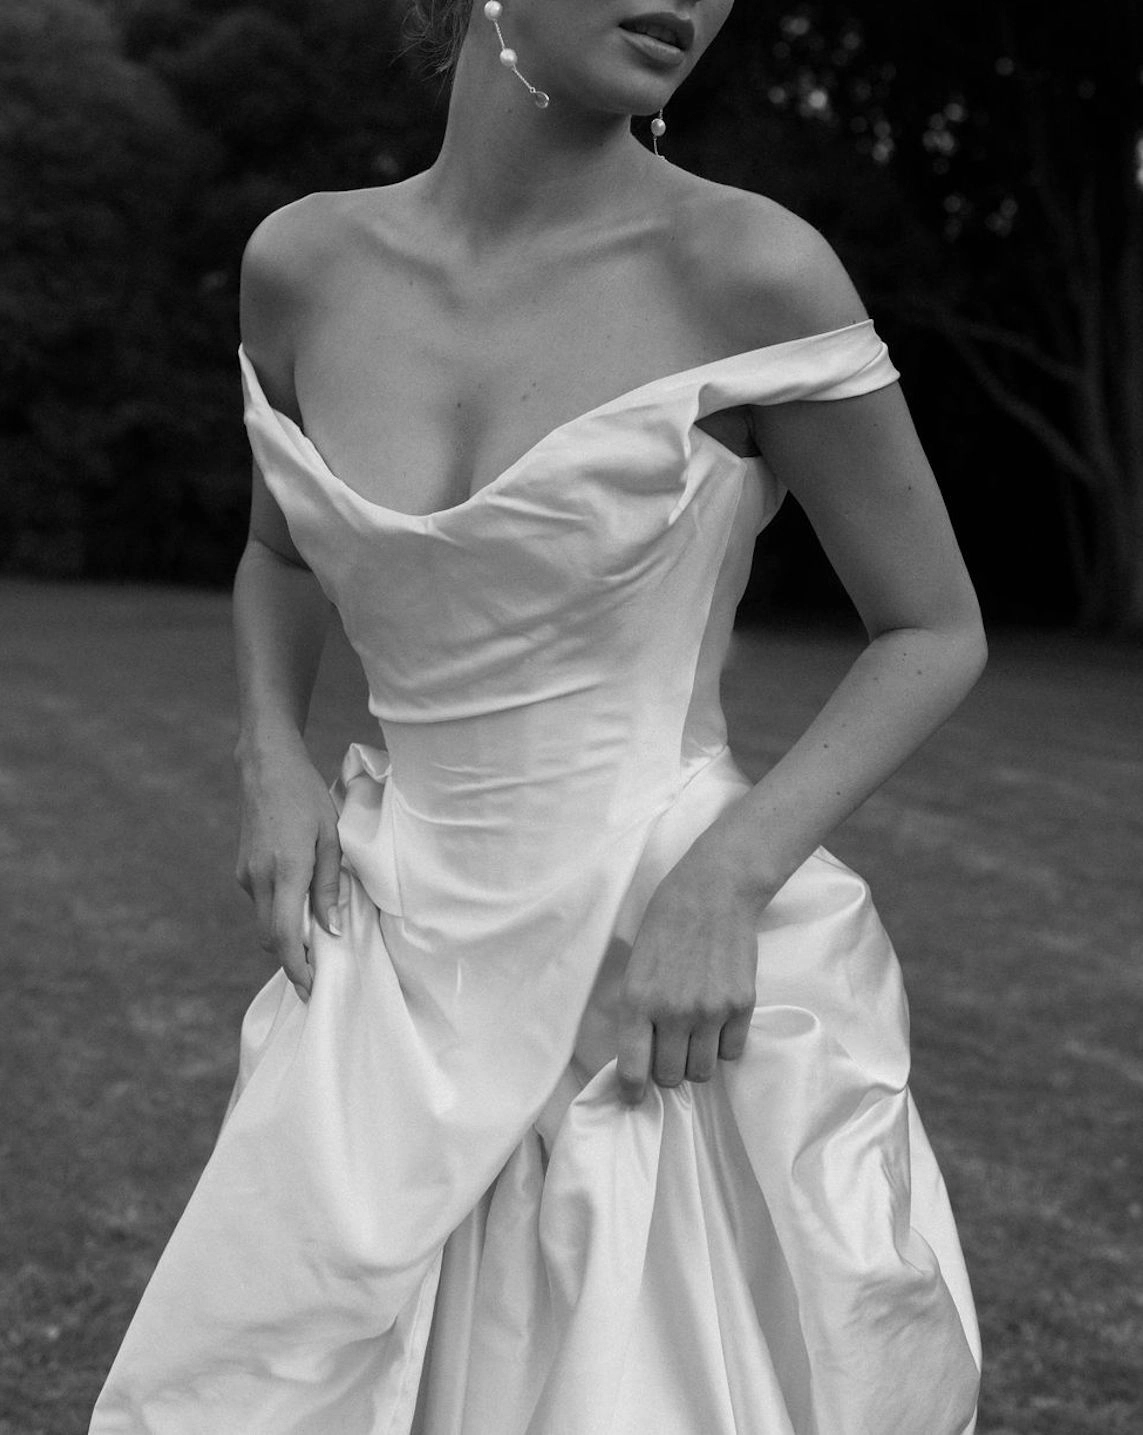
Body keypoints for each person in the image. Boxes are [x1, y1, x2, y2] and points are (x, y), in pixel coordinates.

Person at [91, 1, 986, 1431]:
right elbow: (279, 553)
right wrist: (271, 753)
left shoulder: (750, 269)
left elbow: (932, 628)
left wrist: (728, 878)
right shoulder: (301, 266)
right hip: (392, 955)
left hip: (655, 973)